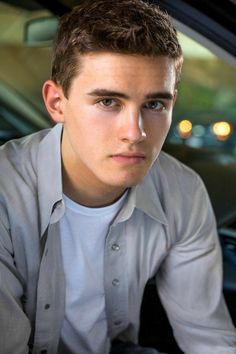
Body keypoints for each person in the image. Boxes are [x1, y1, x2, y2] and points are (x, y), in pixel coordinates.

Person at [0, 0, 235, 353]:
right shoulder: (5, 191)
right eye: (108, 102)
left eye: (154, 104)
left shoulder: (182, 192)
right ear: (56, 103)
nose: (135, 132)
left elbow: (208, 338)